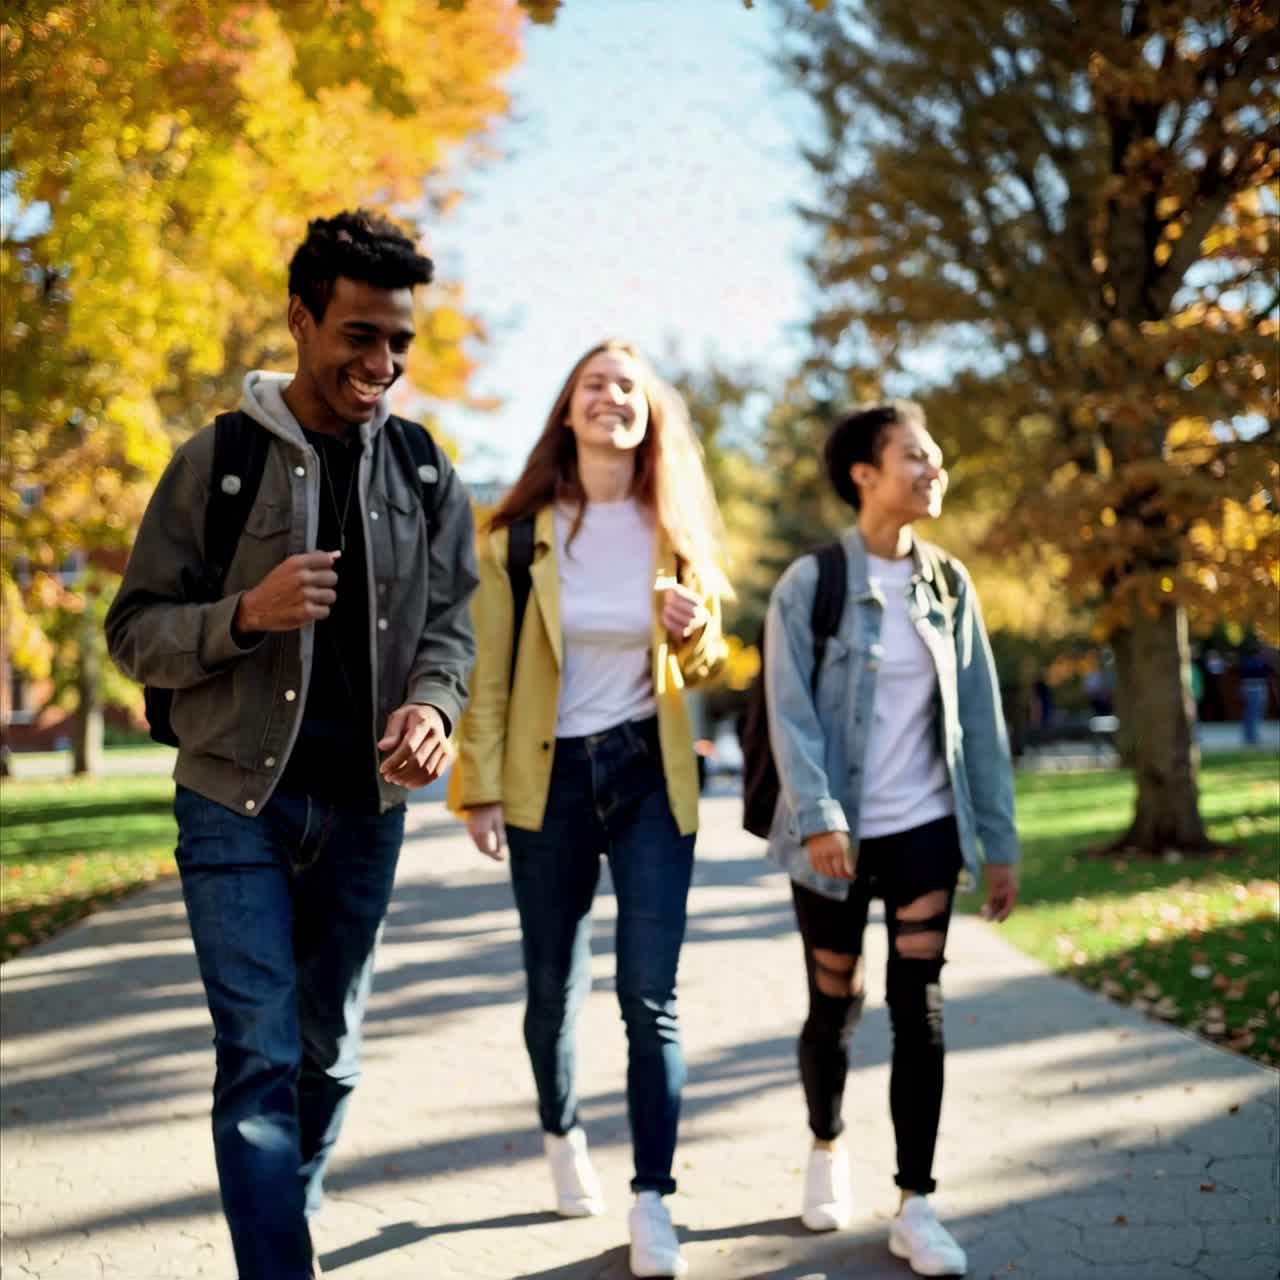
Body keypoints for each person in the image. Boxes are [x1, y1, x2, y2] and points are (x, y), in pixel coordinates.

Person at [105, 210, 478, 1280]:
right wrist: (246, 613)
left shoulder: (421, 469)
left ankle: (286, 1216)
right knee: (260, 1056)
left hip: (365, 816)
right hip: (235, 803)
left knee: (328, 1056)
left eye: (399, 340)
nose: (382, 362)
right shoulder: (215, 462)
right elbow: (134, 631)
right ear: (300, 318)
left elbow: (453, 622)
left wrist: (434, 707)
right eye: (359, 334)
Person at [449, 339, 729, 1279]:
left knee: (650, 997)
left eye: (629, 386)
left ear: (649, 414)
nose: (612, 396)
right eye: (594, 385)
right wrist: (477, 788)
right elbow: (487, 672)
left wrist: (696, 636)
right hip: (550, 777)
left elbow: (708, 660)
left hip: (651, 774)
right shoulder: (516, 536)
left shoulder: (675, 525)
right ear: (567, 412)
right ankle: (560, 1129)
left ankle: (654, 1200)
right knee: (551, 988)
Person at [763, 401, 1019, 1278]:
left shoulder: (950, 584)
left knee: (922, 1003)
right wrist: (824, 815)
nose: (933, 467)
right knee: (836, 1000)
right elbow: (788, 712)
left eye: (935, 454)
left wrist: (1000, 838)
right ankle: (827, 1143)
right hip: (831, 836)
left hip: (924, 830)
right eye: (915, 454)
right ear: (864, 474)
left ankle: (918, 1202)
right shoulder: (811, 583)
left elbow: (979, 719)